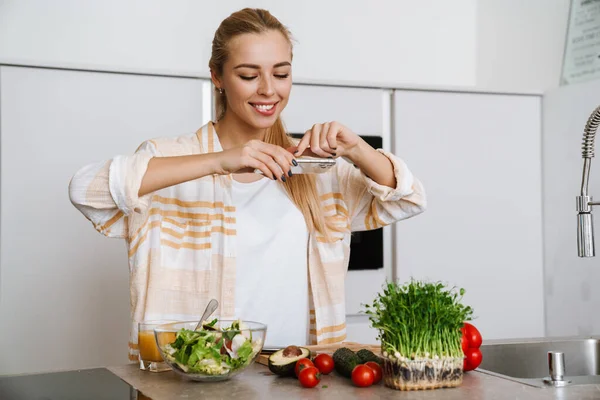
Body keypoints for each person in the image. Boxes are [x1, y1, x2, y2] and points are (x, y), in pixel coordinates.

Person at [68, 8, 426, 362]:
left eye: (281, 73)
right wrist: (222, 161)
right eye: (248, 75)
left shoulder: (315, 169)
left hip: (295, 374)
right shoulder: (170, 157)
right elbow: (85, 190)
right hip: (196, 381)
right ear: (218, 77)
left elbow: (409, 199)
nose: (269, 90)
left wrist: (357, 149)